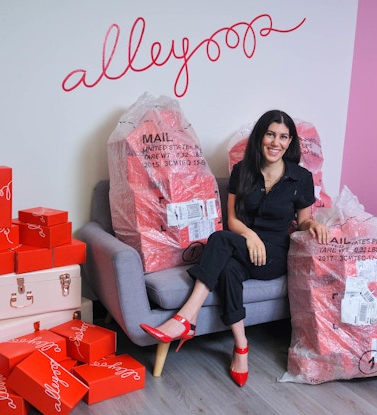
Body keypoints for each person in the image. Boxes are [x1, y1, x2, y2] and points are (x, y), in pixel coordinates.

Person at [140, 110, 330, 386]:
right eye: (270, 134)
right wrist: (250, 236)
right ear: (260, 137)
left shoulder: (300, 178)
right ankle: (241, 347)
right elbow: (232, 220)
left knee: (218, 240)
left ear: (290, 142)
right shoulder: (242, 171)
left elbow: (303, 221)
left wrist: (312, 226)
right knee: (227, 266)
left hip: (274, 255)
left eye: (283, 137)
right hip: (243, 246)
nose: (276, 142)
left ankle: (185, 318)